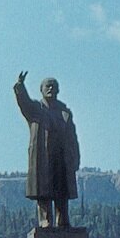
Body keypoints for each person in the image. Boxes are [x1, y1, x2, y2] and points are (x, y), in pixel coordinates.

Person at [14, 71, 80, 228]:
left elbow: (73, 137)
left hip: (61, 156)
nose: (50, 88)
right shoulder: (36, 109)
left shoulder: (65, 113)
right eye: (47, 86)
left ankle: (63, 220)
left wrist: (75, 157)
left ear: (58, 90)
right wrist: (20, 87)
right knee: (43, 189)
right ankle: (45, 220)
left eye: (53, 86)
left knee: (62, 190)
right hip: (42, 157)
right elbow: (24, 103)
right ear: (41, 90)